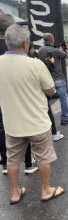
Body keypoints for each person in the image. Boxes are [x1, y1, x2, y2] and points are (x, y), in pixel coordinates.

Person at [0, 24, 65, 204]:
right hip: (37, 122)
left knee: (12, 160)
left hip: (12, 124)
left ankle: (15, 193)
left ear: (7, 43)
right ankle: (45, 190)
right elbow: (51, 90)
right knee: (43, 157)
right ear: (26, 44)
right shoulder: (35, 64)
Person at [0, 14, 39, 175]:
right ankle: (29, 163)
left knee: (2, 129)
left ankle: (5, 164)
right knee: (25, 126)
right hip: (21, 94)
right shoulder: (14, 47)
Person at [38, 33, 68, 125]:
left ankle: (47, 120)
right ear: (52, 39)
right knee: (63, 98)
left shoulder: (40, 50)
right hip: (58, 78)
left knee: (45, 100)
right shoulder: (55, 50)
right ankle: (64, 119)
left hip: (46, 79)